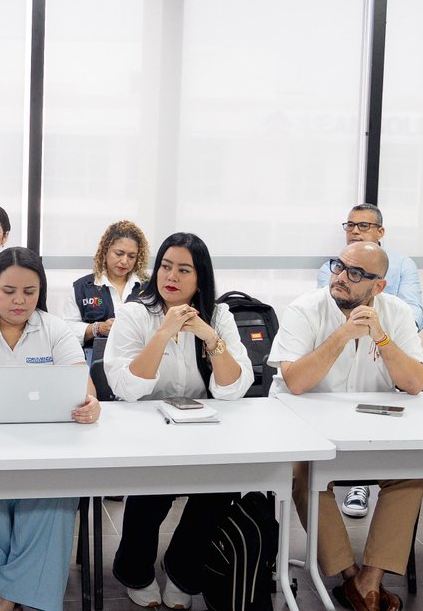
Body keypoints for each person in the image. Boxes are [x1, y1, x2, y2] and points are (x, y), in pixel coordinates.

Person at [0, 247, 99, 611]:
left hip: (45, 449)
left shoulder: (54, 328)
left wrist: (92, 403)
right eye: (9, 291)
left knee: (54, 501)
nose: (20, 301)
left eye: (30, 291)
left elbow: (83, 386)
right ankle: (14, 591)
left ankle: (1, 595)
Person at [271, 241, 423, 611]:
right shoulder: (304, 309)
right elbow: (295, 381)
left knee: (412, 473)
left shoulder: (397, 312)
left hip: (371, 431)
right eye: (338, 266)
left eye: (355, 273)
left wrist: (381, 338)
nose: (340, 277)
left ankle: (368, 580)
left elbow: (415, 382)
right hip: (305, 428)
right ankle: (348, 576)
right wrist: (342, 334)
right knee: (302, 472)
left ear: (378, 287)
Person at [103, 232, 254, 609]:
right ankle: (134, 568)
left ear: (200, 277)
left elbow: (234, 388)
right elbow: (125, 386)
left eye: (183, 269)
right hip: (145, 428)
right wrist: (164, 332)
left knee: (222, 486)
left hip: (203, 429)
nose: (171, 276)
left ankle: (183, 567)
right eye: (165, 266)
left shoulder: (219, 315)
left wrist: (209, 336)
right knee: (151, 489)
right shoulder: (136, 313)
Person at [315, 203, 423, 519]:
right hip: (339, 356)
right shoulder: (331, 267)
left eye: (363, 225)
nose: (354, 230)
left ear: (381, 232)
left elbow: (414, 313)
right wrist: (365, 312)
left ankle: (360, 484)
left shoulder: (403, 265)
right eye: (349, 225)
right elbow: (336, 306)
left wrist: (384, 319)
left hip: (386, 346)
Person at [61, 219, 150, 345]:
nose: (124, 261)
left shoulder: (148, 288)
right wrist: (97, 328)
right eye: (119, 254)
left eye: (131, 256)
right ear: (105, 251)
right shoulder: (82, 288)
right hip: (95, 360)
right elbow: (66, 331)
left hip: (137, 359)